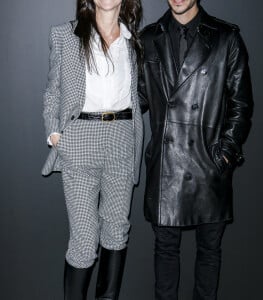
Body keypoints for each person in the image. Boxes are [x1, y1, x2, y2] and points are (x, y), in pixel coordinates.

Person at [139, 0, 253, 299]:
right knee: (165, 251)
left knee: (209, 251)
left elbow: (241, 104)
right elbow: (135, 97)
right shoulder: (149, 38)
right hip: (166, 166)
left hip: (209, 165)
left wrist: (225, 153)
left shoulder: (225, 38)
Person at [42, 0, 143, 299]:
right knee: (85, 240)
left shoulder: (132, 39)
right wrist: (55, 134)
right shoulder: (65, 34)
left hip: (123, 137)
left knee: (116, 231)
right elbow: (53, 90)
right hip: (81, 138)